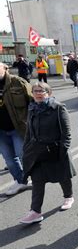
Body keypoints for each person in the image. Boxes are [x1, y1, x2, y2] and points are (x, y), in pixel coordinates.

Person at [20, 82, 76, 224]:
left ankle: (68, 196)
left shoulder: (58, 108)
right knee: (37, 180)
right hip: (37, 152)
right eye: (35, 91)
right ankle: (35, 212)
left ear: (48, 93)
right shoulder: (32, 108)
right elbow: (29, 132)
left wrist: (63, 151)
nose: (38, 93)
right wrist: (26, 149)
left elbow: (67, 132)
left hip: (55, 150)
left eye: (42, 91)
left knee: (62, 176)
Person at [0, 62, 32, 196]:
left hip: (18, 128)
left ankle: (34, 179)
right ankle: (20, 181)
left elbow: (33, 101)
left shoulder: (17, 82)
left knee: (23, 155)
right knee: (9, 160)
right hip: (1, 131)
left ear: (4, 68)